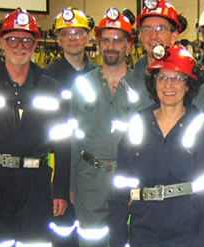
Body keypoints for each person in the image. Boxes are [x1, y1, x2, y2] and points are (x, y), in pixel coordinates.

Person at [0, 8, 68, 245]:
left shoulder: (50, 86)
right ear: (1, 42)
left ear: (35, 44)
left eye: (27, 40)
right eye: (13, 39)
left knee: (35, 242)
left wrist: (60, 189)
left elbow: (62, 141)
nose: (20, 46)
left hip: (36, 183)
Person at [108, 44, 204, 246]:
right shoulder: (137, 124)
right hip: (143, 232)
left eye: (177, 78)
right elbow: (120, 189)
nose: (169, 85)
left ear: (188, 85)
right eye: (162, 77)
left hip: (187, 233)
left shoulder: (202, 128)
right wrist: (117, 238)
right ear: (154, 83)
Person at [69, 8, 144, 246]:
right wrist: (70, 185)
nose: (110, 46)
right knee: (91, 239)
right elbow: (72, 136)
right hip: (89, 179)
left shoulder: (144, 86)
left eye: (117, 40)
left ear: (129, 46)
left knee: (130, 240)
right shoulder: (82, 84)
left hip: (130, 178)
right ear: (98, 44)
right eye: (105, 41)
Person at [44, 7, 98, 246]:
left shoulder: (99, 75)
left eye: (79, 33)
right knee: (62, 234)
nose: (73, 38)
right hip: (59, 167)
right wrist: (59, 189)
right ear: (59, 39)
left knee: (91, 233)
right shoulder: (47, 78)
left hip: (91, 170)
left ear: (88, 37)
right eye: (67, 34)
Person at [133, 0, 189, 111]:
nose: (153, 36)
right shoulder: (130, 79)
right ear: (141, 36)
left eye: (161, 29)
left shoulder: (190, 77)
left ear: (173, 36)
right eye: (147, 29)